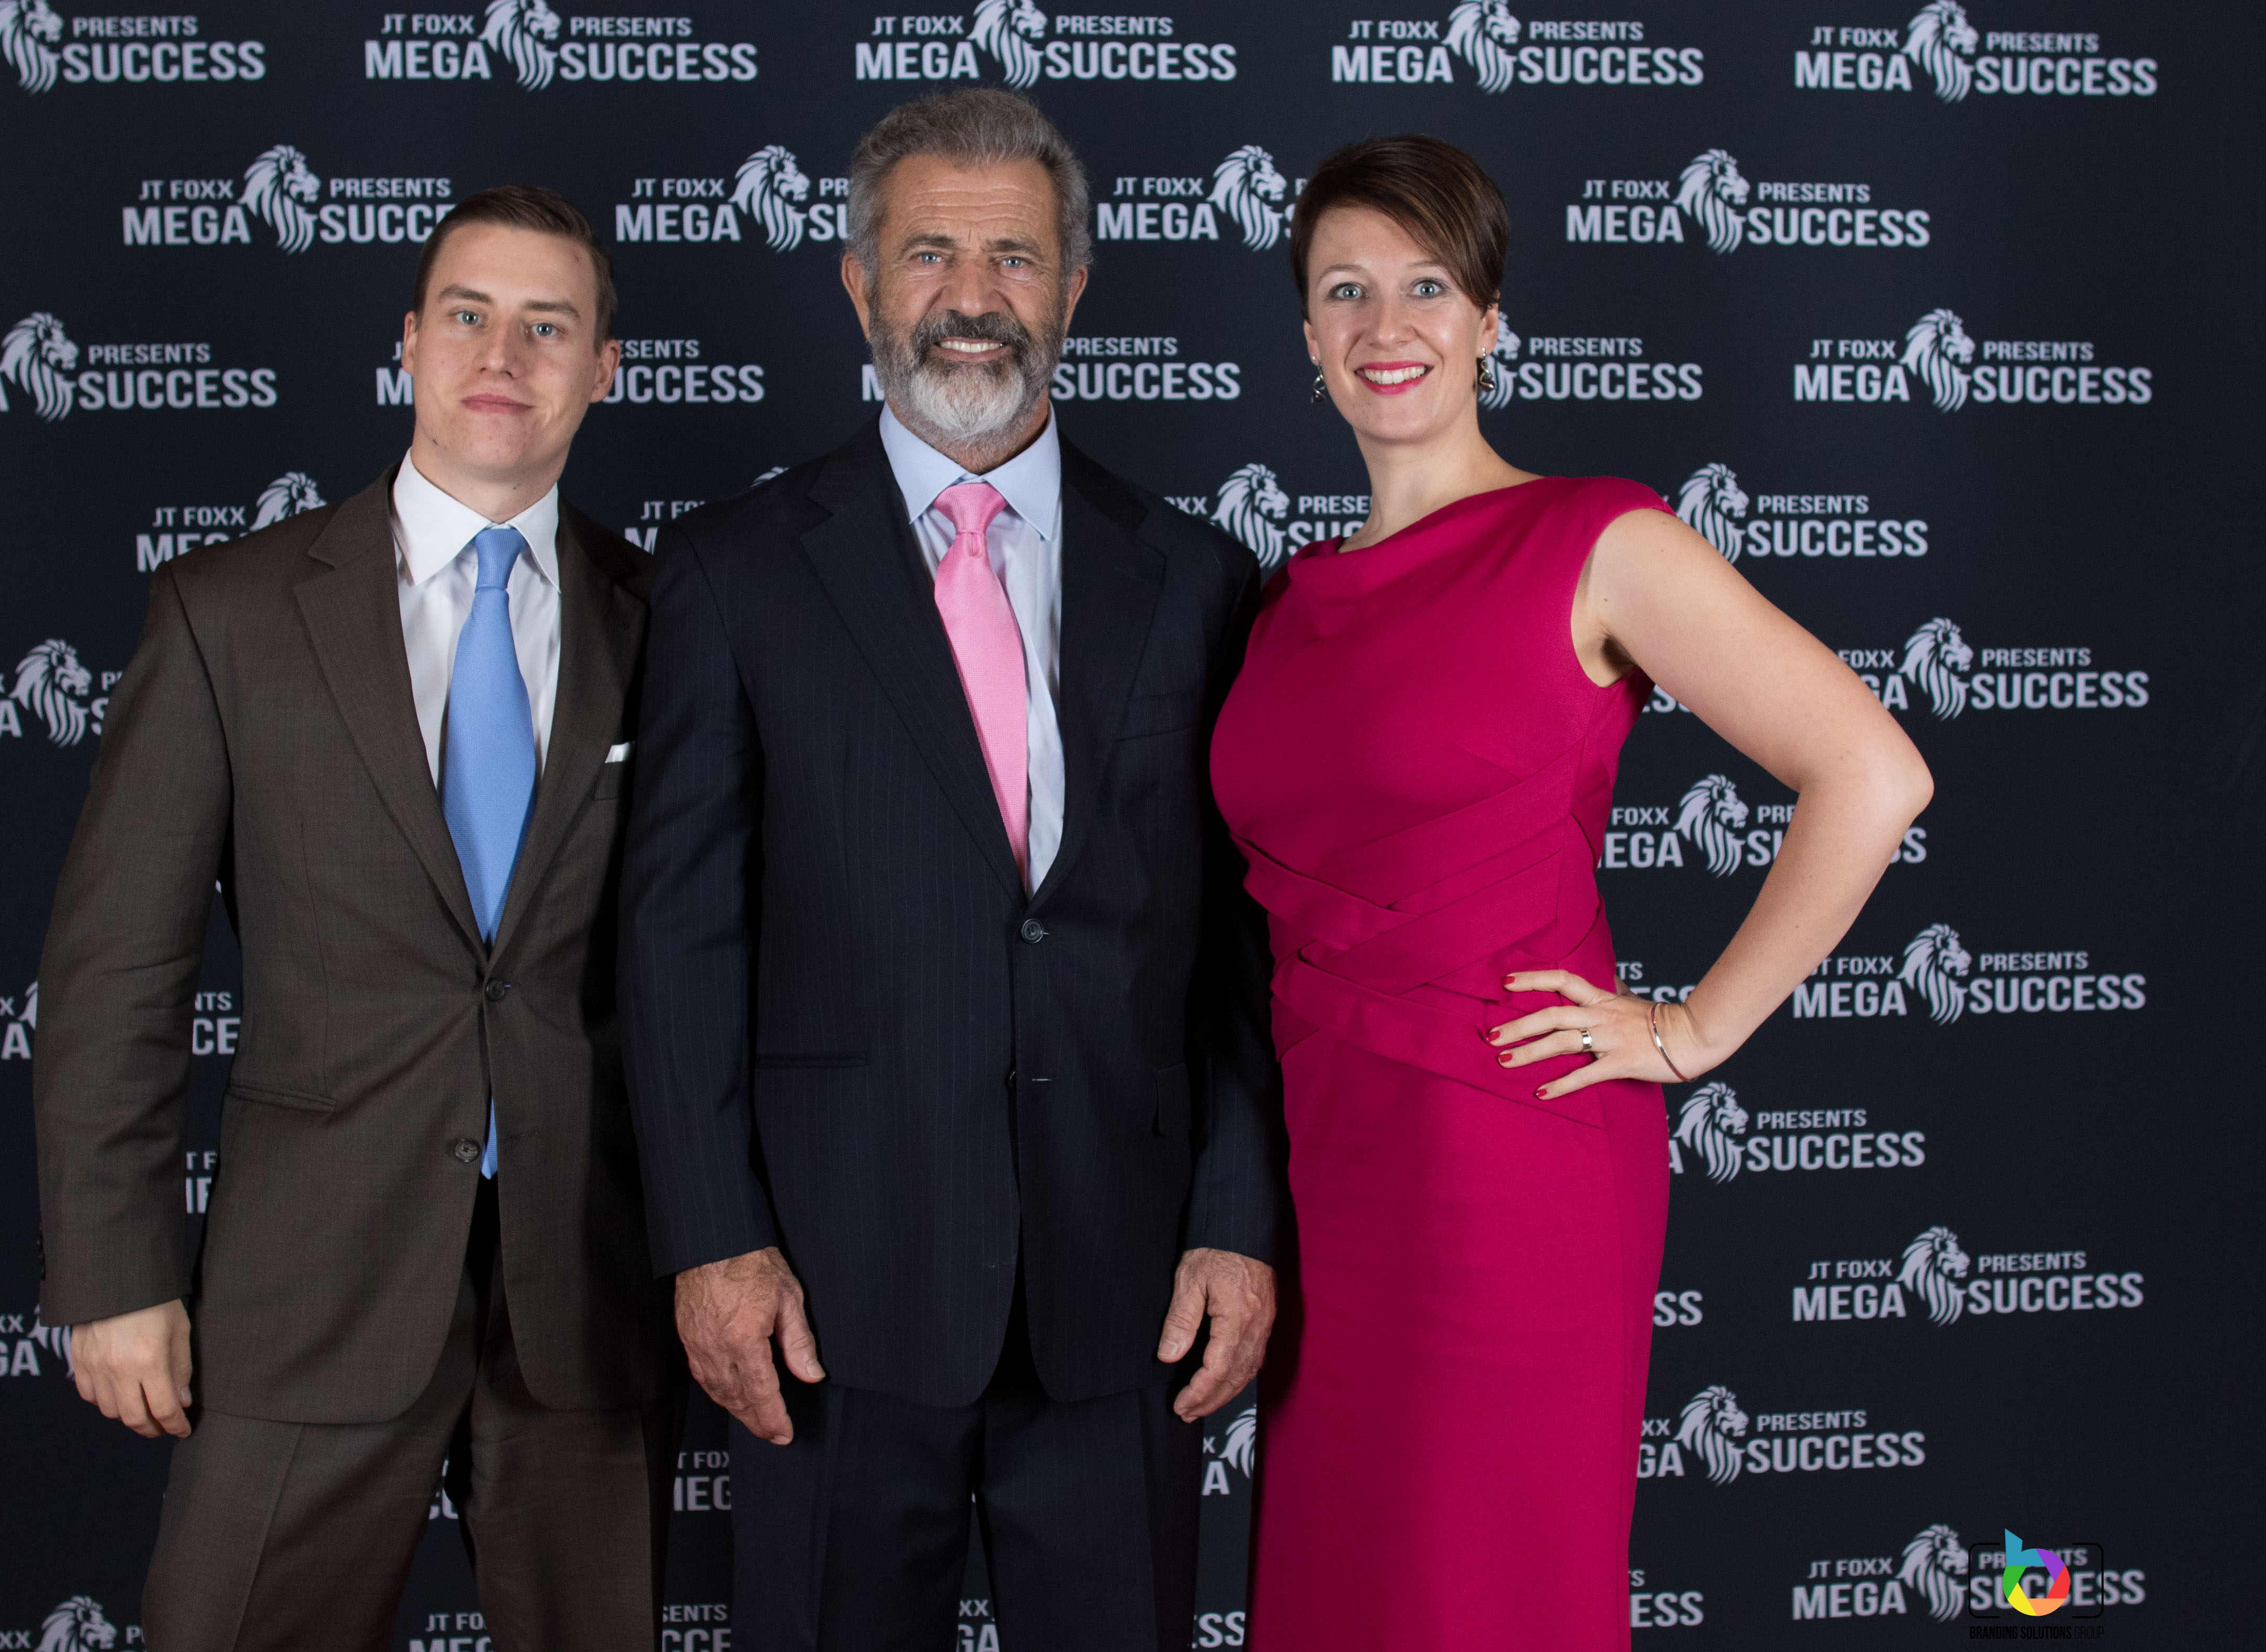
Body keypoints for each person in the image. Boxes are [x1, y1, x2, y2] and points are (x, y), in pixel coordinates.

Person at [1210, 136, 1934, 1649]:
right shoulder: (1281, 601)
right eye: (1345, 290)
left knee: (1481, 1585)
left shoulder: (1594, 540)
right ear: (1306, 338)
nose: (1385, 325)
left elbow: (1871, 773)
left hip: (1507, 1153)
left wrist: (1691, 1030)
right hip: (1324, 1162)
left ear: (1491, 321)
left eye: (1427, 286)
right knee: (1346, 1584)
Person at [618, 90, 1282, 1651]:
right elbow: (676, 941)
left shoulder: (1197, 579)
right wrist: (712, 1240)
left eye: (1013, 258)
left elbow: (1238, 955)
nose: (971, 297)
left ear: (1074, 288)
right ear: (859, 282)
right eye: (928, 254)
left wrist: (1238, 1217)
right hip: (827, 1300)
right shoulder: (730, 572)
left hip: (1126, 1292)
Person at [32, 185, 676, 1652]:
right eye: (467, 315)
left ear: (603, 369)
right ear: (407, 342)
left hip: (587, 1286)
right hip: (308, 1282)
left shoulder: (672, 617)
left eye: (547, 326)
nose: (500, 354)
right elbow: (119, 972)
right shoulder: (229, 613)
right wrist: (118, 1275)